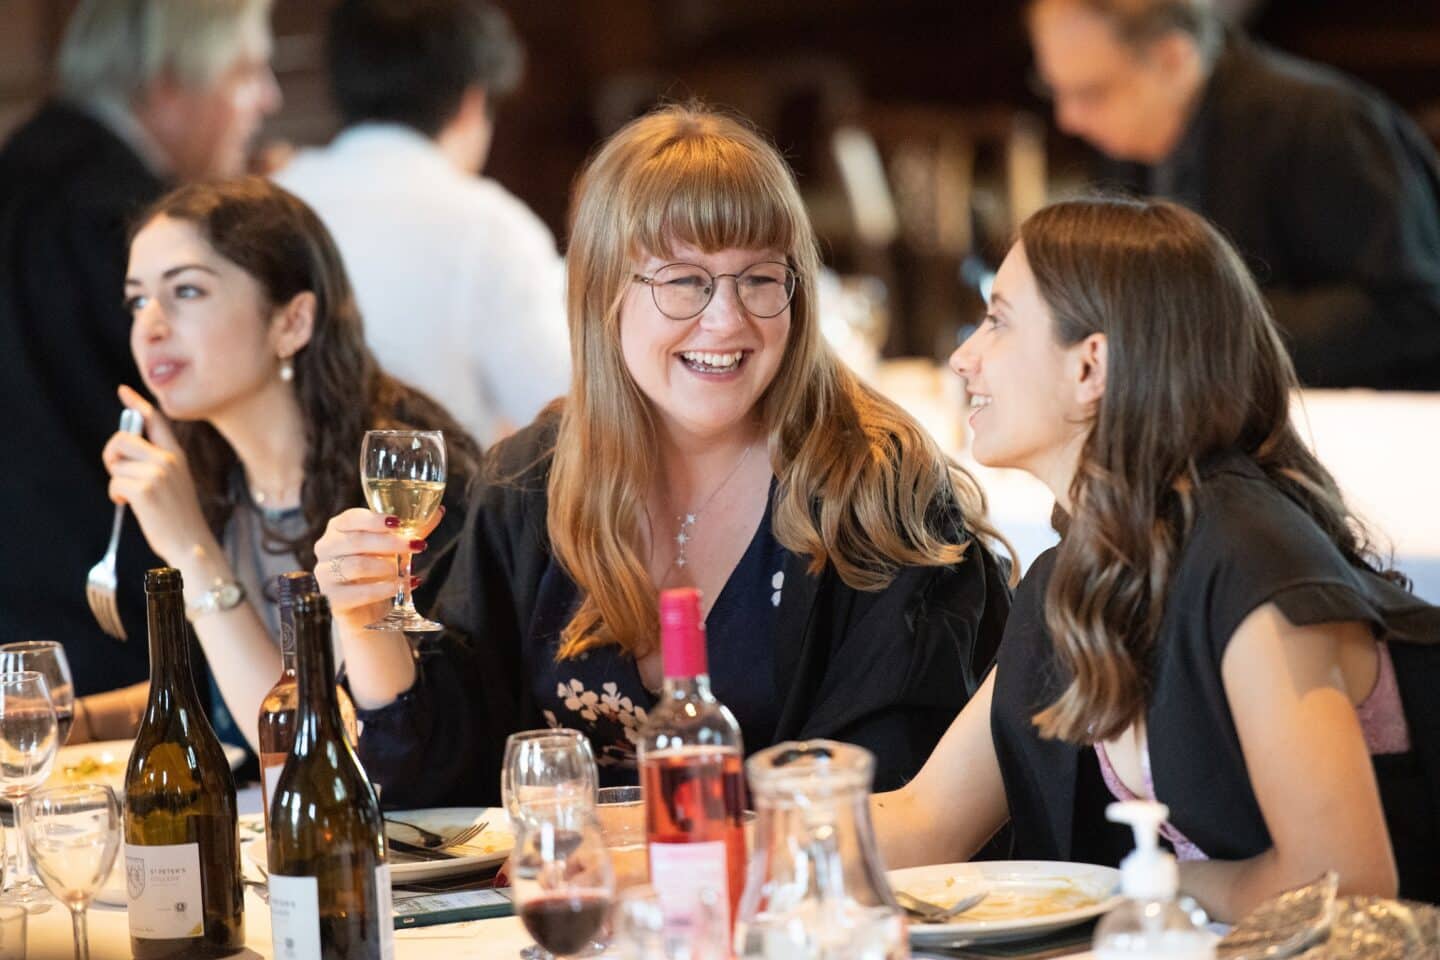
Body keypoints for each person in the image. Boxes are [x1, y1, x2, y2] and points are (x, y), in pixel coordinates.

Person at [313, 104, 1015, 807]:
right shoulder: (532, 483)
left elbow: (891, 789)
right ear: (604, 297)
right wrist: (366, 618)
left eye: (761, 279)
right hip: (574, 908)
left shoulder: (876, 492)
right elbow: (430, 785)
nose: (728, 319)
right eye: (685, 282)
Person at [873, 196, 1440, 922]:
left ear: (1091, 367)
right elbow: (925, 819)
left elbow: (1343, 888)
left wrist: (1147, 890)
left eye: (999, 321)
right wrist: (739, 831)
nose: (964, 356)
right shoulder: (1082, 574)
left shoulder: (1250, 561)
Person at [81, 177, 480, 752]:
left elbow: (315, 750)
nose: (150, 326)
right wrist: (72, 719)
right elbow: (220, 693)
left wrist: (195, 554)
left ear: (291, 322)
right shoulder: (223, 482)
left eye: (186, 292)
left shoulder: (397, 488)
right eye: (138, 300)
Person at [0, 0, 282, 694]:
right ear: (167, 84)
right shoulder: (125, 218)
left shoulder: (19, 166)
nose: (268, 96)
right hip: (110, 621)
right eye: (245, 72)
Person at [1025, 0, 1440, 390]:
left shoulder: (1324, 124)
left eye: (1091, 93)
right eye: (1055, 89)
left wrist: (1201, 333)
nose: (1068, 118)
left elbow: (1418, 310)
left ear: (1172, 57)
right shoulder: (1129, 144)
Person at [274, 0, 569, 444]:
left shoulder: (276, 197)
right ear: (472, 101)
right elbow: (563, 406)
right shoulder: (490, 226)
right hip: (437, 504)